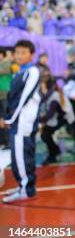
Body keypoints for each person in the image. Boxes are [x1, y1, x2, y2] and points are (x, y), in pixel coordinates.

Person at [1, 39, 41, 203]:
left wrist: (9, 118)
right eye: (17, 52)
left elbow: (24, 97)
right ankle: (23, 185)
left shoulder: (32, 71)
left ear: (31, 55)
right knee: (19, 155)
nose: (19, 55)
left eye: (23, 53)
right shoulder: (19, 71)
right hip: (18, 120)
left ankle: (26, 189)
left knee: (22, 155)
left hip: (23, 121)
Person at [39, 75, 73, 165]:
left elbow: (49, 115)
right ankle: (55, 150)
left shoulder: (54, 96)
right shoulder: (47, 94)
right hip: (57, 117)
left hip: (65, 118)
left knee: (45, 134)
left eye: (41, 84)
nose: (39, 86)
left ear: (47, 85)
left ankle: (53, 154)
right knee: (45, 134)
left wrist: (38, 121)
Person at [0, 47, 13, 148]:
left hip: (5, 95)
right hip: (1, 95)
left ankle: (8, 141)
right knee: (1, 119)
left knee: (6, 118)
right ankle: (3, 141)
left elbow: (2, 71)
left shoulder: (7, 63)